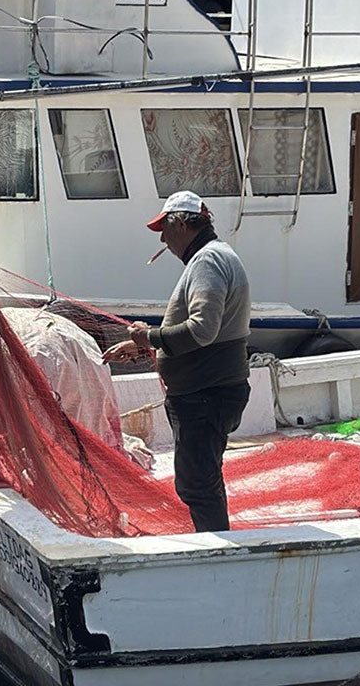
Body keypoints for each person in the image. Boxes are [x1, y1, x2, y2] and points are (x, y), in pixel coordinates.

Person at [102, 190, 251, 532]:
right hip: (210, 392)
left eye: (165, 230)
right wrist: (142, 347)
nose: (163, 240)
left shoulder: (208, 261)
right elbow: (207, 333)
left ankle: (217, 556)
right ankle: (216, 544)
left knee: (197, 483)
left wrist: (148, 336)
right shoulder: (216, 256)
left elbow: (202, 330)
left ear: (182, 223)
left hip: (205, 394)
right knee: (202, 478)